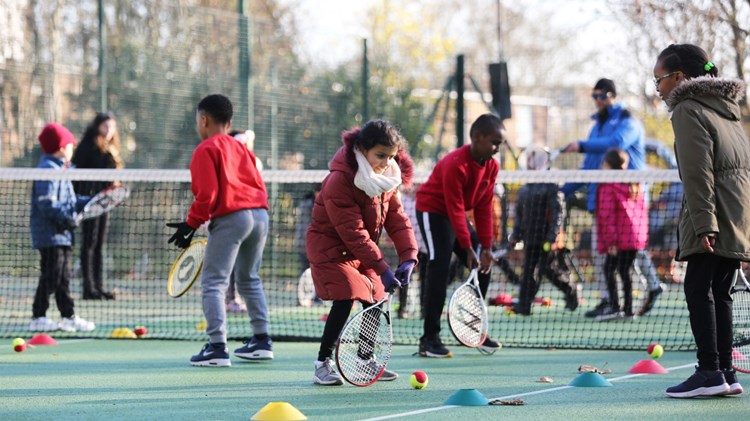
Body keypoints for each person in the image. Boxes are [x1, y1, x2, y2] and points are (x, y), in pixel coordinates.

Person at [654, 44, 748, 398]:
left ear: (679, 78)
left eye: (659, 80)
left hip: (710, 213)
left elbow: (697, 172)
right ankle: (725, 371)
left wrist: (705, 221)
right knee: (721, 292)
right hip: (737, 213)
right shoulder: (728, 111)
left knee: (697, 289)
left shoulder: (687, 109)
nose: (658, 90)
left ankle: (709, 372)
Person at [306, 119, 418, 386]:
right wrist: (382, 268)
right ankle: (322, 364)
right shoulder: (340, 181)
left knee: (377, 296)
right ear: (362, 149)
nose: (386, 162)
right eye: (380, 155)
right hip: (329, 248)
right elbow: (353, 233)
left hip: (357, 251)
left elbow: (397, 220)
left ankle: (365, 360)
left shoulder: (387, 179)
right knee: (345, 295)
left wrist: (408, 257)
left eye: (391, 156)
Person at [167, 94, 273, 367]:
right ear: (230, 122)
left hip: (233, 218)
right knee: (250, 278)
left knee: (214, 282)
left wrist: (191, 224)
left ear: (204, 120)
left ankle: (216, 347)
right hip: (261, 216)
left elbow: (208, 194)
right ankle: (262, 341)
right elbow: (259, 187)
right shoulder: (244, 150)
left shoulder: (206, 148)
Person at [559, 78, 663, 318]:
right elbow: (590, 167)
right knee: (618, 253)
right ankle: (621, 297)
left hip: (629, 200)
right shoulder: (596, 126)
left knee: (629, 249)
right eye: (594, 96)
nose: (598, 101)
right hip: (604, 197)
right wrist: (563, 189)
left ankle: (623, 298)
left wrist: (582, 145)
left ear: (612, 95)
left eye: (601, 95)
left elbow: (615, 144)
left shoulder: (629, 122)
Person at [415, 113, 504, 358]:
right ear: (477, 137)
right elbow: (454, 208)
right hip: (432, 210)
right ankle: (429, 338)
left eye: (500, 144)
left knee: (484, 267)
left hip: (455, 214)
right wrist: (467, 248)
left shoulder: (492, 166)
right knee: (439, 266)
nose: (497, 149)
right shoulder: (456, 163)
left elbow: (484, 206)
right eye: (494, 142)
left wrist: (485, 247)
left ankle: (473, 330)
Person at [29, 123, 96, 333]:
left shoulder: (62, 170)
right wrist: (68, 219)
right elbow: (46, 203)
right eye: (70, 145)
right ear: (60, 146)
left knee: (63, 277)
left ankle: (68, 316)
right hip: (49, 236)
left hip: (63, 235)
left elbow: (71, 201)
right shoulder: (47, 170)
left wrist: (94, 200)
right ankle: (38, 316)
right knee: (51, 275)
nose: (72, 148)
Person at [509, 146, 578, 315]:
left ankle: (571, 289)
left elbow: (557, 214)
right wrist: (516, 234)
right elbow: (520, 215)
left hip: (547, 239)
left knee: (548, 269)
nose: (531, 161)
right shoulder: (525, 188)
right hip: (530, 237)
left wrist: (552, 237)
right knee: (529, 271)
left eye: (535, 158)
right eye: (530, 158)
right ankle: (524, 305)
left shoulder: (551, 185)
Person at [71, 112, 123, 300]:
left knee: (99, 245)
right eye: (105, 126)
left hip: (104, 203)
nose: (108, 130)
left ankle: (98, 287)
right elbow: (76, 175)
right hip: (89, 203)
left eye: (111, 127)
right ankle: (88, 288)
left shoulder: (111, 148)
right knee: (89, 244)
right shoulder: (87, 147)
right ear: (97, 126)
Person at [593, 148, 648, 321]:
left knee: (609, 269)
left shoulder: (608, 185)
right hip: (633, 237)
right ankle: (629, 310)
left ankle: (615, 307)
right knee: (625, 271)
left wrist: (611, 242)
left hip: (619, 239)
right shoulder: (633, 183)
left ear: (607, 164)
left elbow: (607, 215)